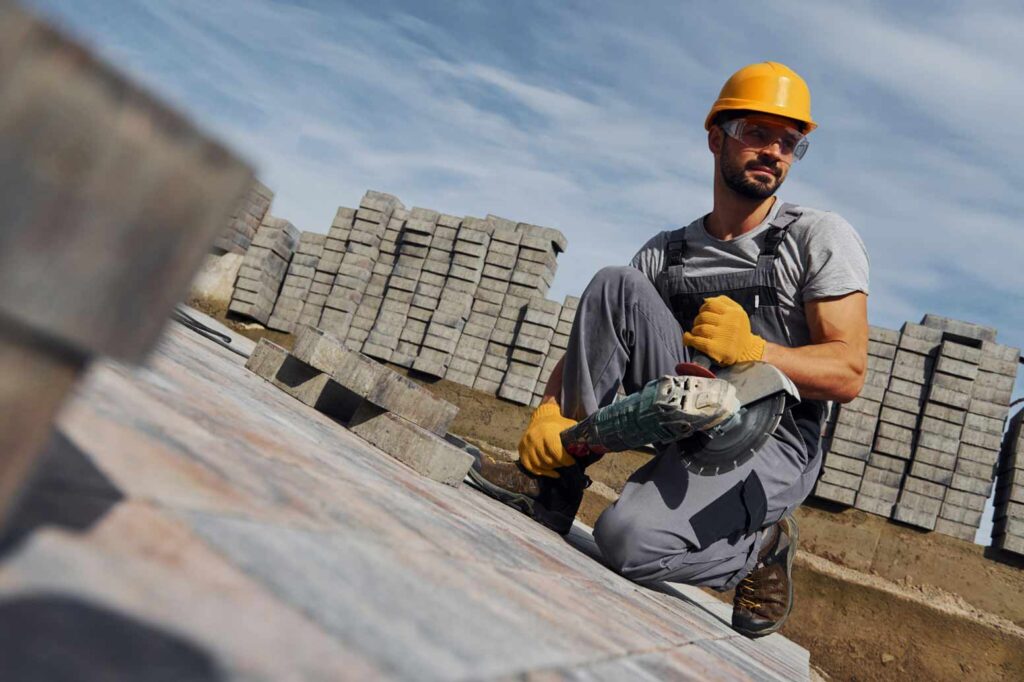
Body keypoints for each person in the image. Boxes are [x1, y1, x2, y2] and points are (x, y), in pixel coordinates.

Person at [469, 61, 869, 638]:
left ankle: (756, 547)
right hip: (691, 407)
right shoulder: (670, 252)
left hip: (774, 435)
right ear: (716, 137)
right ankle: (553, 485)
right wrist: (551, 413)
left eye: (788, 143)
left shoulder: (816, 236)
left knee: (625, 542)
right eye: (757, 133)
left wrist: (757, 349)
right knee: (615, 283)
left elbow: (850, 371)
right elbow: (604, 325)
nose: (774, 153)